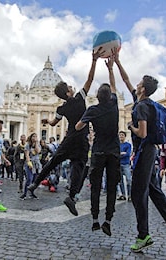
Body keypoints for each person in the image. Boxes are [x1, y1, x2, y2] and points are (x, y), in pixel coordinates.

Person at [114, 52, 166, 252]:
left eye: (139, 83)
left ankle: (143, 234)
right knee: (153, 189)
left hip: (145, 151)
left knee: (138, 194)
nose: (135, 84)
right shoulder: (144, 103)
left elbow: (142, 132)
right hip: (150, 151)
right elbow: (126, 79)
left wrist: (130, 126)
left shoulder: (141, 108)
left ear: (143, 88)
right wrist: (117, 61)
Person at [27, 48, 104, 216]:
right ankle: (71, 196)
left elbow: (55, 122)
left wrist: (47, 121)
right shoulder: (79, 99)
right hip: (81, 139)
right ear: (68, 92)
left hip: (69, 139)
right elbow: (90, 79)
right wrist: (94, 61)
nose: (72, 87)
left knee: (53, 161)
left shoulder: (62, 107)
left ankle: (35, 183)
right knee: (79, 168)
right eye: (69, 86)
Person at [75, 52, 119, 236]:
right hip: (114, 152)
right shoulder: (114, 104)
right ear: (109, 96)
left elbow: (78, 127)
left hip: (99, 151)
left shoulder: (93, 110)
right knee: (111, 188)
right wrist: (110, 68)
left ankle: (94, 219)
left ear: (97, 96)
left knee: (95, 186)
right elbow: (115, 85)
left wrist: (85, 123)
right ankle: (108, 220)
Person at [20, 133, 41, 200]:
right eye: (33, 136)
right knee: (29, 179)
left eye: (36, 136)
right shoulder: (27, 145)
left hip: (36, 163)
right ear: (31, 137)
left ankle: (32, 193)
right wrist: (29, 163)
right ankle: (25, 193)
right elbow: (27, 155)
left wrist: (37, 143)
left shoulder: (38, 145)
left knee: (35, 180)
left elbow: (38, 151)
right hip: (30, 163)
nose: (34, 137)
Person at [117, 131, 132, 201]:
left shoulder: (128, 145)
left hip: (126, 164)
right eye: (120, 135)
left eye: (122, 135)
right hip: (118, 164)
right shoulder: (117, 144)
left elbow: (128, 154)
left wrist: (119, 154)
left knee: (129, 180)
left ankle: (130, 195)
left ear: (125, 136)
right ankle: (122, 195)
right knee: (120, 181)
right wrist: (121, 154)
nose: (121, 136)